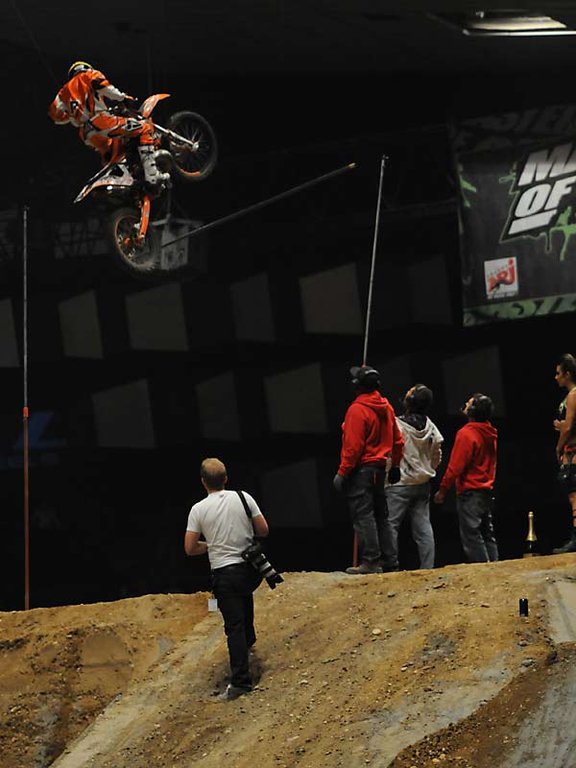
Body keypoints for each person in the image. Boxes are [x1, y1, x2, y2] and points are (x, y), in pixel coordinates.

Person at [184, 457, 269, 701]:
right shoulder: (244, 497)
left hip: (224, 572)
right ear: (226, 479)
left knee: (234, 627)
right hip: (250, 569)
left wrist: (211, 545)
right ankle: (249, 645)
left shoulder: (198, 509)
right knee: (245, 600)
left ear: (203, 482)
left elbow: (190, 548)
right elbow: (263, 530)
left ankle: (241, 682)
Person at [48, 60, 169, 186]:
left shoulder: (63, 92)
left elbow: (56, 117)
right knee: (144, 128)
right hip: (101, 121)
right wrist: (123, 98)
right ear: (85, 67)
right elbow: (105, 87)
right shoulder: (89, 74)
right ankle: (152, 176)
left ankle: (125, 176)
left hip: (86, 133)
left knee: (112, 153)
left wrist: (72, 117)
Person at [333, 365, 404, 574]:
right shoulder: (387, 407)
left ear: (356, 385)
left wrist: (342, 472)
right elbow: (398, 441)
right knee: (382, 516)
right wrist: (396, 464)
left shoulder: (357, 410)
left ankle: (371, 561)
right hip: (380, 469)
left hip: (362, 470)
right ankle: (390, 561)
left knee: (364, 516)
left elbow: (353, 447)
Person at [433, 394, 499, 563]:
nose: (465, 405)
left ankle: (483, 571)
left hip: (470, 491)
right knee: (487, 533)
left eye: (469, 403)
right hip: (486, 489)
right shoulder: (490, 432)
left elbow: (455, 466)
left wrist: (442, 490)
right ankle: (495, 569)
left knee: (472, 535)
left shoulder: (466, 434)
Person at [385, 384, 443, 570]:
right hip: (422, 483)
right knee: (423, 526)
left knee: (390, 525)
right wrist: (429, 468)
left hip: (399, 483)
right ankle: (428, 566)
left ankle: (391, 566)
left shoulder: (397, 425)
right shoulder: (431, 426)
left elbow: (389, 452)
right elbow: (437, 453)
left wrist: (388, 472)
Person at [552, 353, 576, 554]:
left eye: (558, 373)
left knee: (575, 496)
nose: (556, 377)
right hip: (571, 450)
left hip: (573, 450)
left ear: (567, 374)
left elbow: (569, 427)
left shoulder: (574, 394)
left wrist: (559, 446)